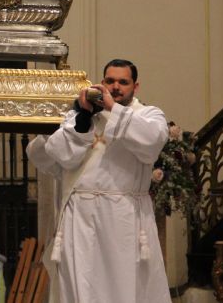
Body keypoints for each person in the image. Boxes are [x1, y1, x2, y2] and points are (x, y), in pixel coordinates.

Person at [27, 59, 170, 303]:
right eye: (110, 81)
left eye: (123, 82)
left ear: (135, 87)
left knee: (123, 287)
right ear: (101, 83)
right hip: (81, 218)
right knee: (81, 284)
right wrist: (83, 119)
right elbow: (59, 157)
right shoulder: (83, 116)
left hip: (123, 219)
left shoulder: (148, 115)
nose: (115, 87)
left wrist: (113, 109)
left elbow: (152, 141)